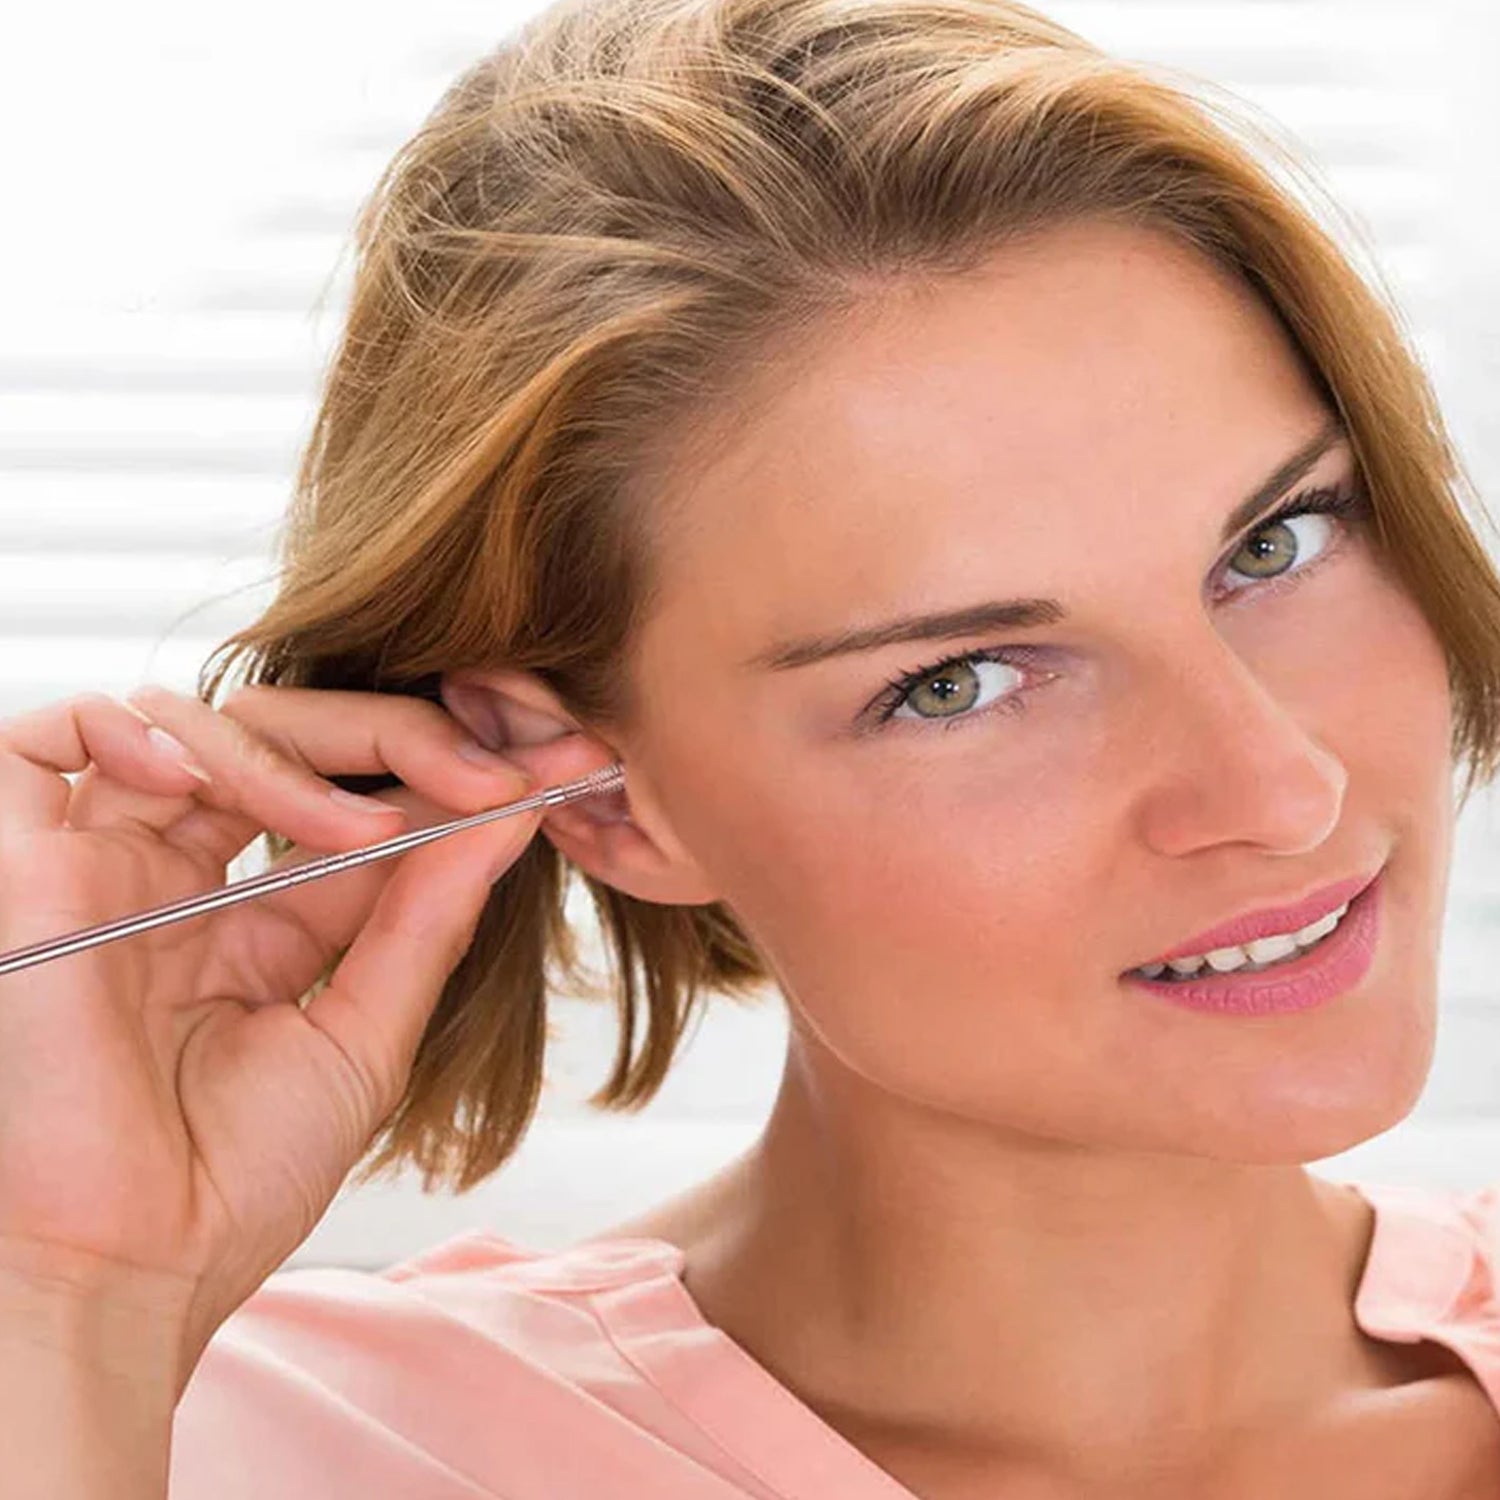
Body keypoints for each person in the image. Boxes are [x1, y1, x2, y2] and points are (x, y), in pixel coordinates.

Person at [3, 0, 1500, 1494]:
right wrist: (69, 1298)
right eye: (959, 682)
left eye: (1278, 542)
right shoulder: (233, 1442)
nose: (1281, 790)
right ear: (607, 799)